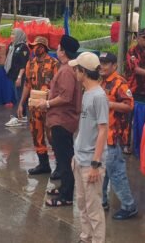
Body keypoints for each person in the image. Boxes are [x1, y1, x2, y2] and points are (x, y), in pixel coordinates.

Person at [68, 52, 110, 243]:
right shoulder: (87, 93)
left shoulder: (99, 96)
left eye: (76, 69)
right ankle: (86, 237)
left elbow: (103, 130)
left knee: (94, 208)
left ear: (83, 72)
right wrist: (76, 155)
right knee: (82, 203)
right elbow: (85, 128)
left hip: (91, 162)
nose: (74, 72)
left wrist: (95, 164)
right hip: (80, 159)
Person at [40, 35, 82, 208]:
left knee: (65, 159)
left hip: (62, 120)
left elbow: (65, 96)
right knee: (62, 156)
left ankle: (66, 196)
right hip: (62, 118)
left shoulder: (66, 71)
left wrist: (48, 103)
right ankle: (64, 187)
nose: (56, 50)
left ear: (63, 51)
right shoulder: (69, 68)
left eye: (58, 48)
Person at [98, 52, 138, 220]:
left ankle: (129, 206)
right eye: (101, 62)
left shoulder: (119, 82)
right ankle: (102, 201)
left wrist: (111, 104)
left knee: (116, 172)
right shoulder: (101, 81)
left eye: (106, 63)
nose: (102, 66)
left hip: (113, 136)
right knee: (102, 171)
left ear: (114, 65)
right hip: (101, 135)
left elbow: (129, 106)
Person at [17, 36, 58, 174]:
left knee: (53, 136)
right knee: (36, 134)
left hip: (50, 107)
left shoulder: (54, 64)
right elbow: (27, 85)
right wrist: (21, 104)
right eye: (33, 46)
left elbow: (59, 87)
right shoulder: (31, 64)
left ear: (43, 47)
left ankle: (60, 167)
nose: (34, 48)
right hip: (34, 107)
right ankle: (44, 164)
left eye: (37, 46)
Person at [4, 28, 30, 127]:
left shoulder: (23, 48)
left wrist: (19, 77)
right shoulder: (12, 45)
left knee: (20, 95)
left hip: (20, 76)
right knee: (16, 95)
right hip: (12, 74)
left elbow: (23, 64)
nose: (11, 36)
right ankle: (21, 115)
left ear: (18, 36)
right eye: (11, 34)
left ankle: (20, 115)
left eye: (14, 34)